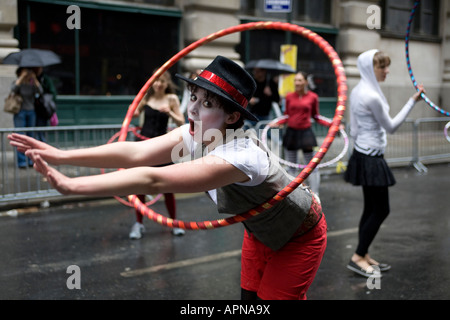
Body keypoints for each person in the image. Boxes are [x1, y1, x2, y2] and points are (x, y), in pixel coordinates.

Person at [9, 56, 327, 300]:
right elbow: (135, 154)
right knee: (247, 301)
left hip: (300, 236)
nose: (193, 111)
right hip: (260, 230)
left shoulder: (240, 157)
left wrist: (70, 185)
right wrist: (58, 155)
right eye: (194, 97)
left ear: (232, 117)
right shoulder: (197, 133)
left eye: (207, 104)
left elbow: (152, 180)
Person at [344, 49, 425, 278]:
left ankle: (364, 254)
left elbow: (357, 128)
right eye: (382, 67)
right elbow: (390, 127)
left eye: (387, 66)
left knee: (371, 208)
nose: (387, 71)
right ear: (371, 68)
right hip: (370, 156)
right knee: (381, 209)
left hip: (364, 153)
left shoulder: (359, 90)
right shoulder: (370, 95)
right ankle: (358, 256)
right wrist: (411, 102)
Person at [130, 70, 185, 239]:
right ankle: (139, 224)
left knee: (167, 186)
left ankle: (174, 223)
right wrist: (133, 109)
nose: (159, 84)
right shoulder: (146, 98)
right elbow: (134, 114)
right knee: (140, 185)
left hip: (161, 147)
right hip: (144, 146)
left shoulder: (172, 99)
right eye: (156, 81)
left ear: (167, 83)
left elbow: (182, 122)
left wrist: (170, 112)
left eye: (162, 81)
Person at [281, 71, 329, 195]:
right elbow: (286, 115)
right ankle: (293, 193)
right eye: (295, 80)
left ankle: (315, 194)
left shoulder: (313, 97)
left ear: (306, 82)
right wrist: (276, 123)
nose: (297, 83)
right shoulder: (289, 96)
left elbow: (316, 116)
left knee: (311, 165)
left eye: (300, 80)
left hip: (306, 133)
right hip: (291, 133)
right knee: (291, 165)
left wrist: (332, 124)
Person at [11, 67, 43, 168]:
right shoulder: (17, 82)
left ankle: (30, 160)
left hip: (31, 111)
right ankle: (21, 162)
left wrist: (35, 80)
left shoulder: (32, 83)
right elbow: (13, 90)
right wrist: (21, 78)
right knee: (20, 136)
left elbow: (40, 92)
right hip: (20, 111)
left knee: (30, 136)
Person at [34, 66, 57, 141]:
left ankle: (42, 149)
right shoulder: (31, 78)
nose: (37, 69)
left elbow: (52, 94)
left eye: (38, 68)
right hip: (32, 108)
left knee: (41, 131)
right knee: (33, 132)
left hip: (43, 109)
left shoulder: (45, 79)